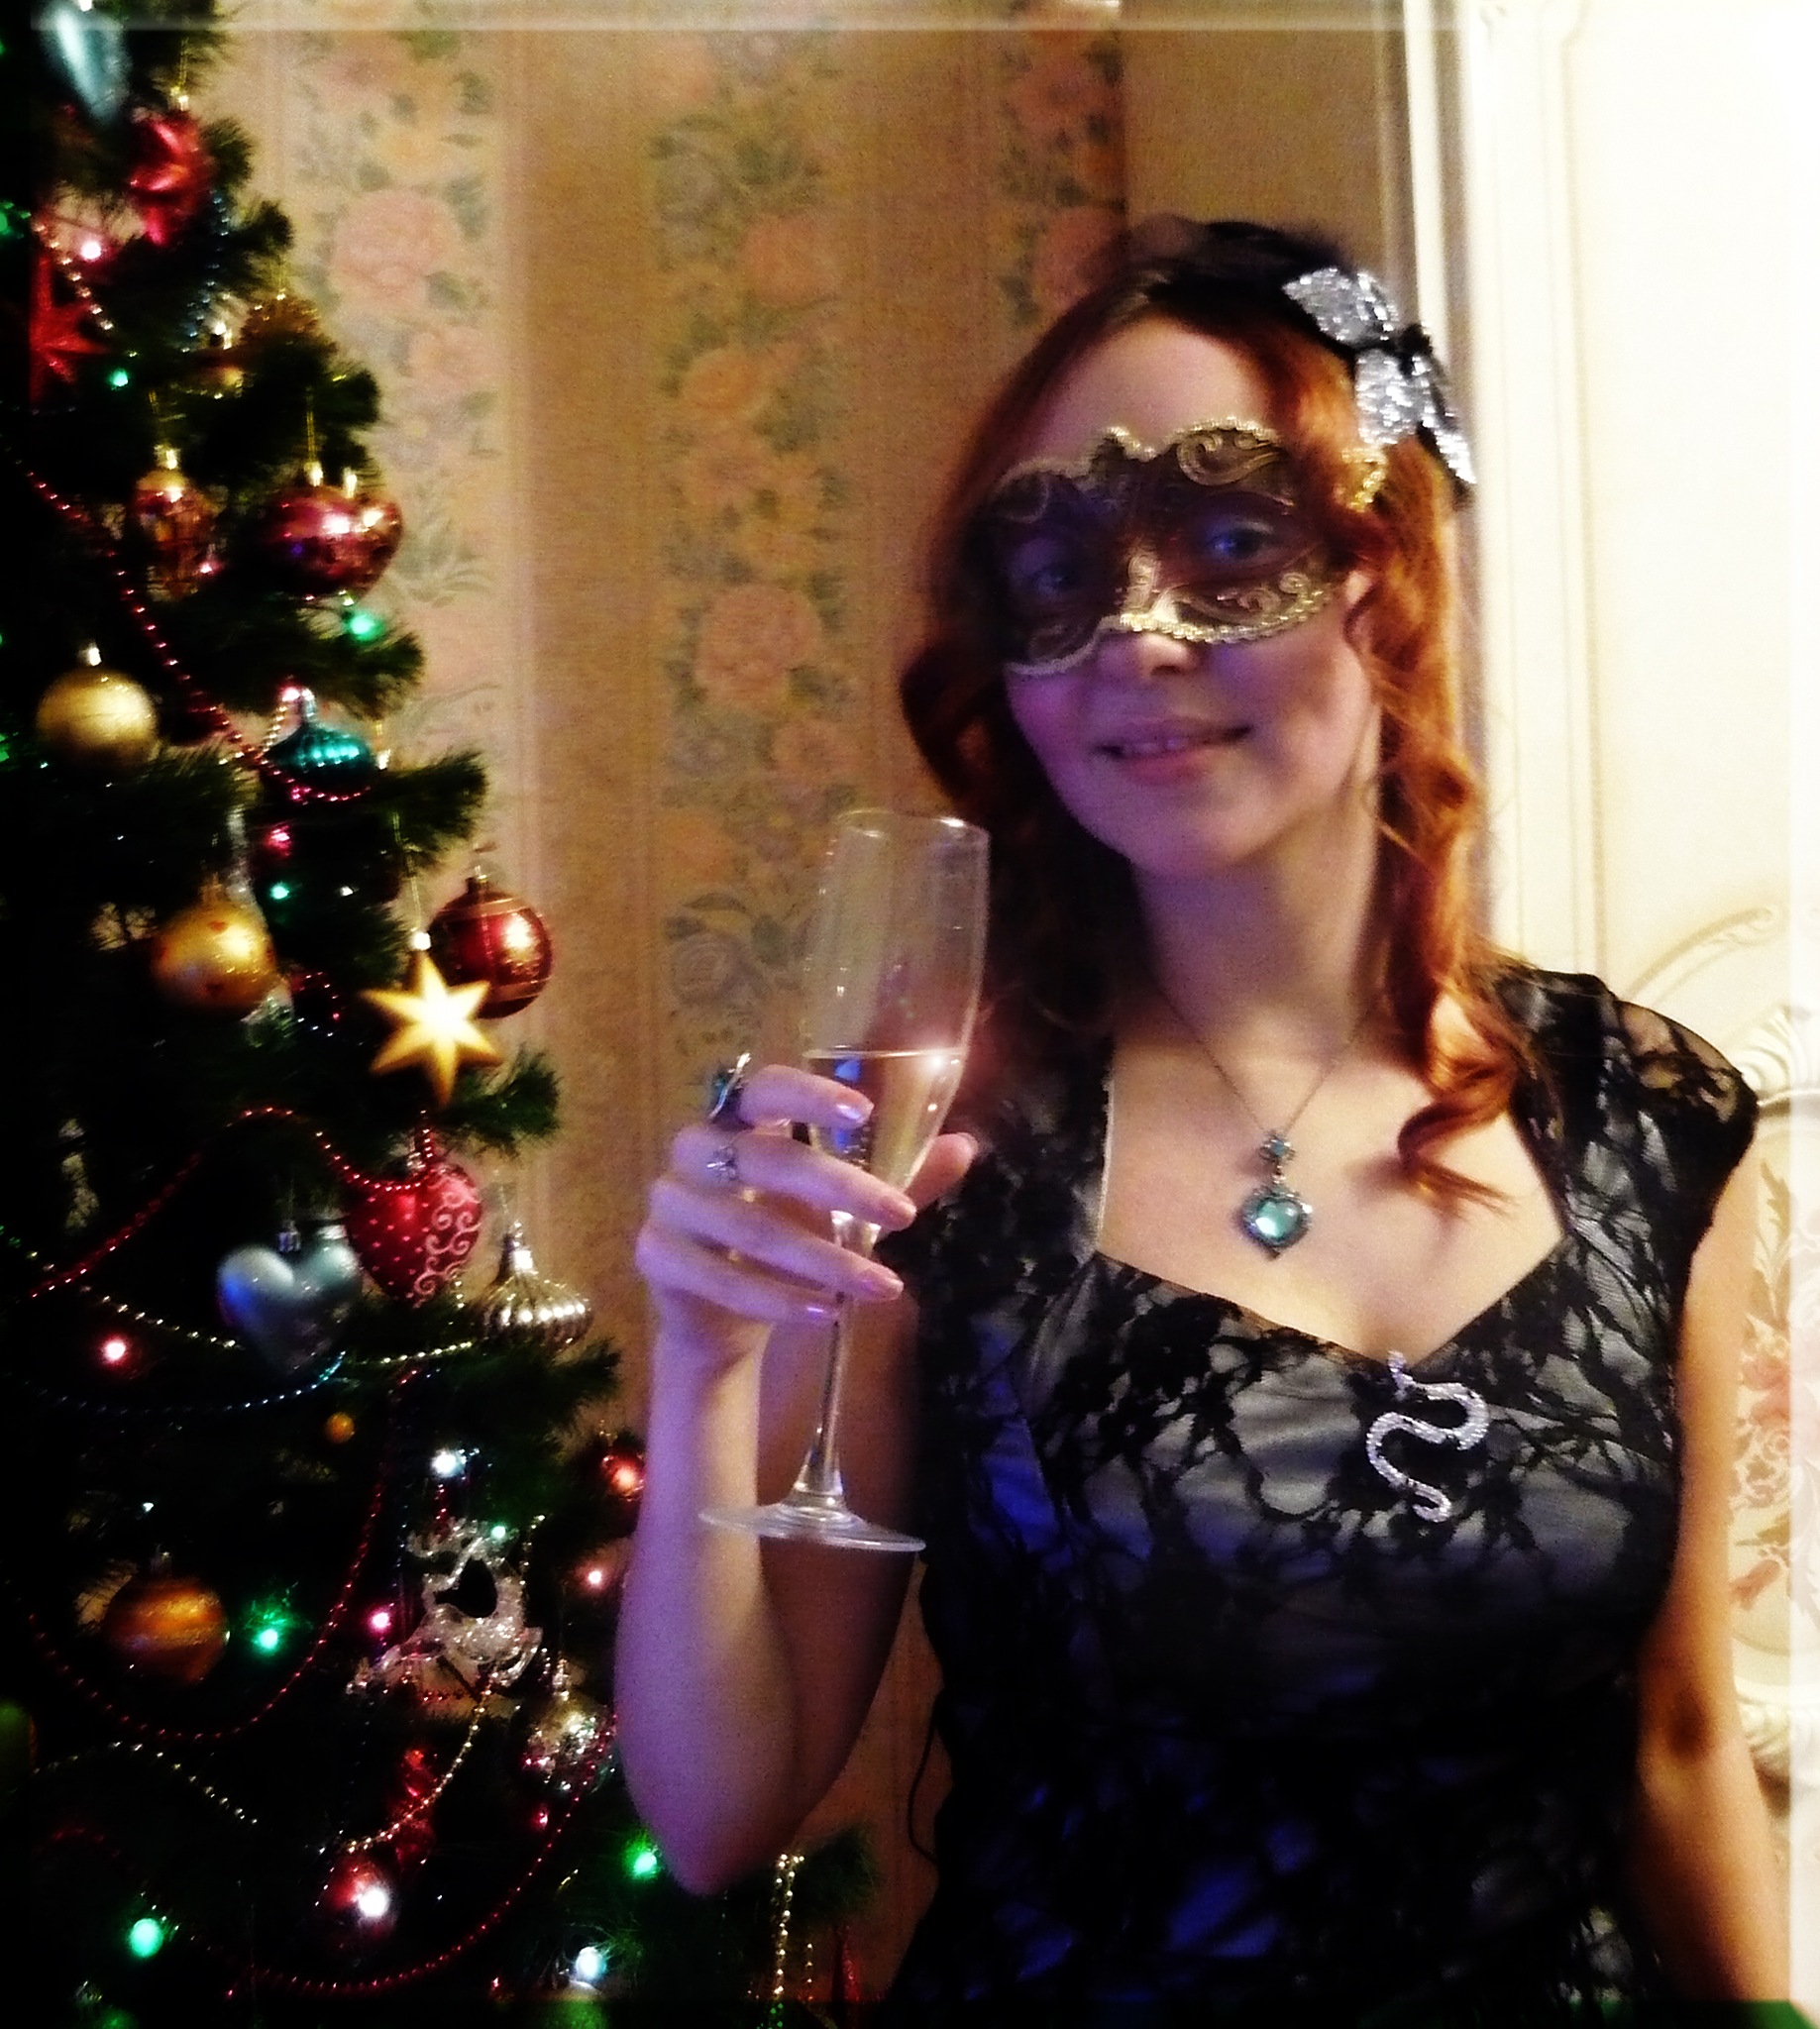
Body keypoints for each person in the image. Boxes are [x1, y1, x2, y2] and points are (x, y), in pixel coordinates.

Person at [616, 218, 1786, 2021]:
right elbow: (719, 1813)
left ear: (1387, 582)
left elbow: (1679, 1737)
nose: (1138, 634)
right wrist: (703, 1363)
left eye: (1230, 543)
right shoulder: (939, 1155)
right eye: (1058, 574)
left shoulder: (1644, 1116)